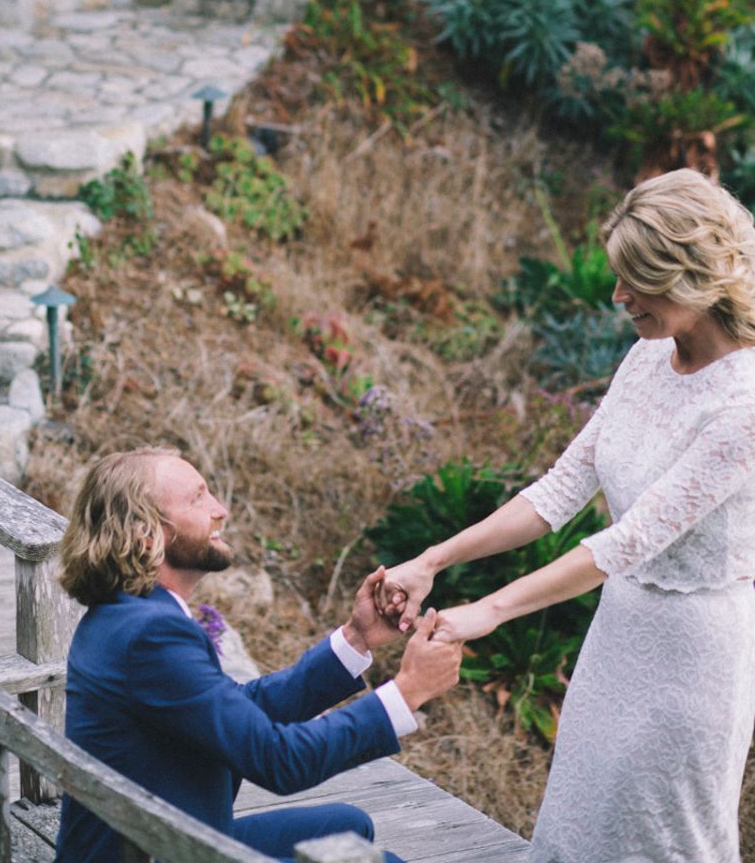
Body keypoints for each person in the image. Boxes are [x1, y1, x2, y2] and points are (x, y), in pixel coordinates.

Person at [377, 167, 755, 862]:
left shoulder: (744, 402)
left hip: (693, 659)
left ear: (692, 278)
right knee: (579, 823)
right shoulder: (647, 357)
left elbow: (628, 540)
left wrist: (489, 611)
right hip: (619, 633)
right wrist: (432, 562)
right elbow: (557, 491)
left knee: (660, 839)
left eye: (636, 280)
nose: (618, 296)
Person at [54, 446, 463, 863]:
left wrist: (356, 637)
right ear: (147, 535)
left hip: (156, 835)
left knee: (349, 824)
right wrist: (407, 692)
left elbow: (239, 707)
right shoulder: (151, 636)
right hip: (156, 850)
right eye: (197, 498)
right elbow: (279, 760)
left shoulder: (127, 614)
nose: (220, 510)